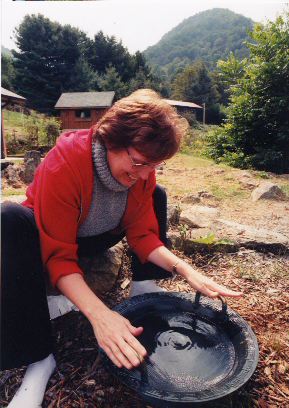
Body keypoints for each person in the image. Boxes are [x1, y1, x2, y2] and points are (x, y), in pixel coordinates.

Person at [1, 89, 242, 408]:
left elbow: (143, 235)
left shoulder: (143, 171)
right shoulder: (66, 163)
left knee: (157, 193)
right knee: (9, 217)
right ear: (111, 139)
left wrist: (184, 269)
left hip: (99, 234)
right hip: (52, 235)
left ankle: (143, 288)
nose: (143, 174)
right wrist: (100, 316)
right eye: (139, 162)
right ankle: (40, 359)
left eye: (152, 165)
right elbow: (59, 257)